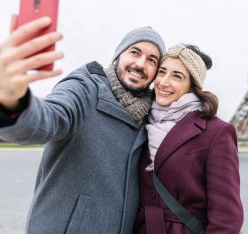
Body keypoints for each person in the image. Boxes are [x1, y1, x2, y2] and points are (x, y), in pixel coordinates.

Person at [0, 16, 166, 234]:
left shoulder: (150, 118)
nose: (141, 64)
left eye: (152, 60)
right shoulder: (83, 88)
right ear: (118, 56)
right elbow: (47, 119)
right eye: (134, 52)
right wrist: (12, 102)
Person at [134, 44, 244, 234]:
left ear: (192, 85)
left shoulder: (216, 132)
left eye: (177, 76)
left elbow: (227, 217)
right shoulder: (138, 121)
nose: (164, 82)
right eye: (162, 72)